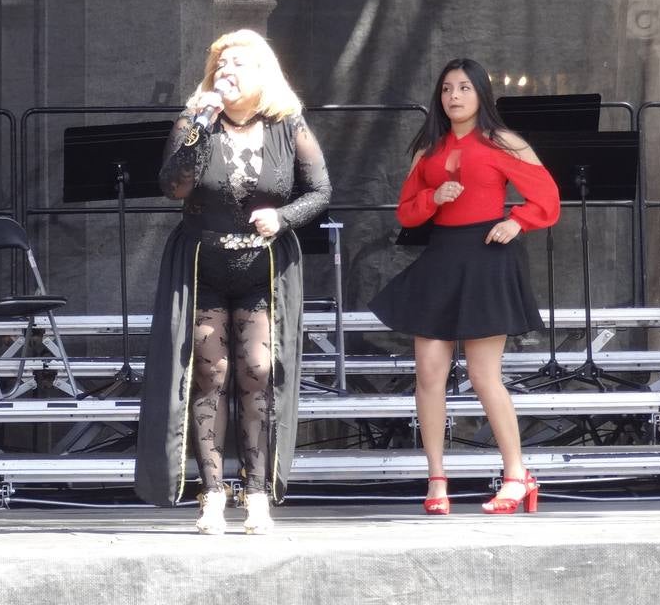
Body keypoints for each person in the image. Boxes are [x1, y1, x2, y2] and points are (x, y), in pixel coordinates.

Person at [134, 30, 331, 535]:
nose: (226, 71)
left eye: (238, 63)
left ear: (262, 72)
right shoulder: (194, 121)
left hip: (262, 271)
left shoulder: (287, 123)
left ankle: (257, 491)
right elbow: (174, 186)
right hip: (204, 266)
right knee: (210, 374)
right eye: (221, 64)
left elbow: (320, 190)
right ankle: (212, 492)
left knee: (258, 372)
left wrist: (283, 218)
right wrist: (200, 124)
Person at [369, 58, 560, 515]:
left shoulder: (503, 142)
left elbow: (548, 198)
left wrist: (517, 222)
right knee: (428, 373)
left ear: (480, 94)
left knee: (482, 375)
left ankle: (517, 474)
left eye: (464, 88)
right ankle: (437, 479)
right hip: (442, 257)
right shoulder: (428, 149)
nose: (453, 96)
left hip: (486, 256)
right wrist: (433, 198)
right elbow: (406, 213)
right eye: (446, 89)